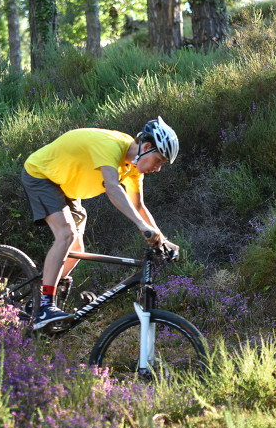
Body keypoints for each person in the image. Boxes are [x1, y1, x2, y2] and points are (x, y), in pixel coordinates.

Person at [21, 117, 181, 330]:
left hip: (65, 188)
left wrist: (163, 239)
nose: (158, 168)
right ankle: (44, 306)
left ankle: (36, 300)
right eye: (159, 160)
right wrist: (142, 227)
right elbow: (112, 188)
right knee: (66, 234)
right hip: (41, 175)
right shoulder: (111, 146)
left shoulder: (133, 168)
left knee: (77, 249)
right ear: (147, 147)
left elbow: (138, 205)